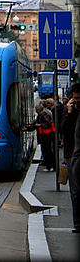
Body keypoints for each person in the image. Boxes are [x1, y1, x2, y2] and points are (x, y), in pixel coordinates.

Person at [61, 83, 80, 233]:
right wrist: (69, 112)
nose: (77, 101)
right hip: (73, 156)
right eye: (74, 99)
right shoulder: (71, 112)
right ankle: (78, 224)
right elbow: (65, 131)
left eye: (79, 98)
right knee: (75, 193)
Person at [26, 101, 56, 171]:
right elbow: (36, 124)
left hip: (47, 136)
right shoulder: (40, 116)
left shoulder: (44, 115)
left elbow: (47, 124)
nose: (36, 112)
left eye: (37, 110)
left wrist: (39, 125)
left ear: (39, 110)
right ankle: (49, 165)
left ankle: (50, 166)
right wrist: (28, 128)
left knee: (48, 151)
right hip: (44, 137)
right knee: (46, 151)